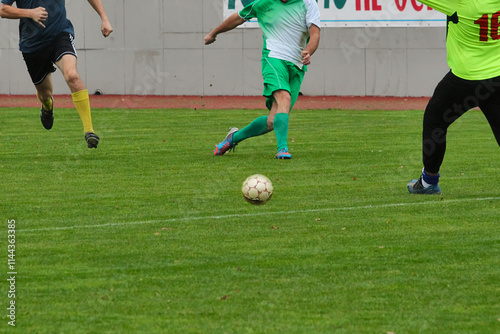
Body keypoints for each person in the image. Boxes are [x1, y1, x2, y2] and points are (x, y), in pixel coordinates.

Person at [205, 0, 321, 159]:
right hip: (273, 58)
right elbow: (238, 18)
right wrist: (214, 33)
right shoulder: (263, 3)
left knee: (272, 122)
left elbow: (315, 33)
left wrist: (308, 51)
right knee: (284, 97)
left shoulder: (308, 3)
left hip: (297, 65)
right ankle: (282, 149)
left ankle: (233, 138)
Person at [407, 0, 500, 194]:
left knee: (435, 122)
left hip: (464, 80)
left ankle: (428, 182)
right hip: (496, 78)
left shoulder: (462, 2)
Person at [0, 0, 113, 149]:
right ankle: (47, 105)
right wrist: (30, 13)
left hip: (60, 34)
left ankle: (89, 130)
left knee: (72, 75)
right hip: (32, 44)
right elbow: (3, 10)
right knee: (45, 94)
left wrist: (104, 18)